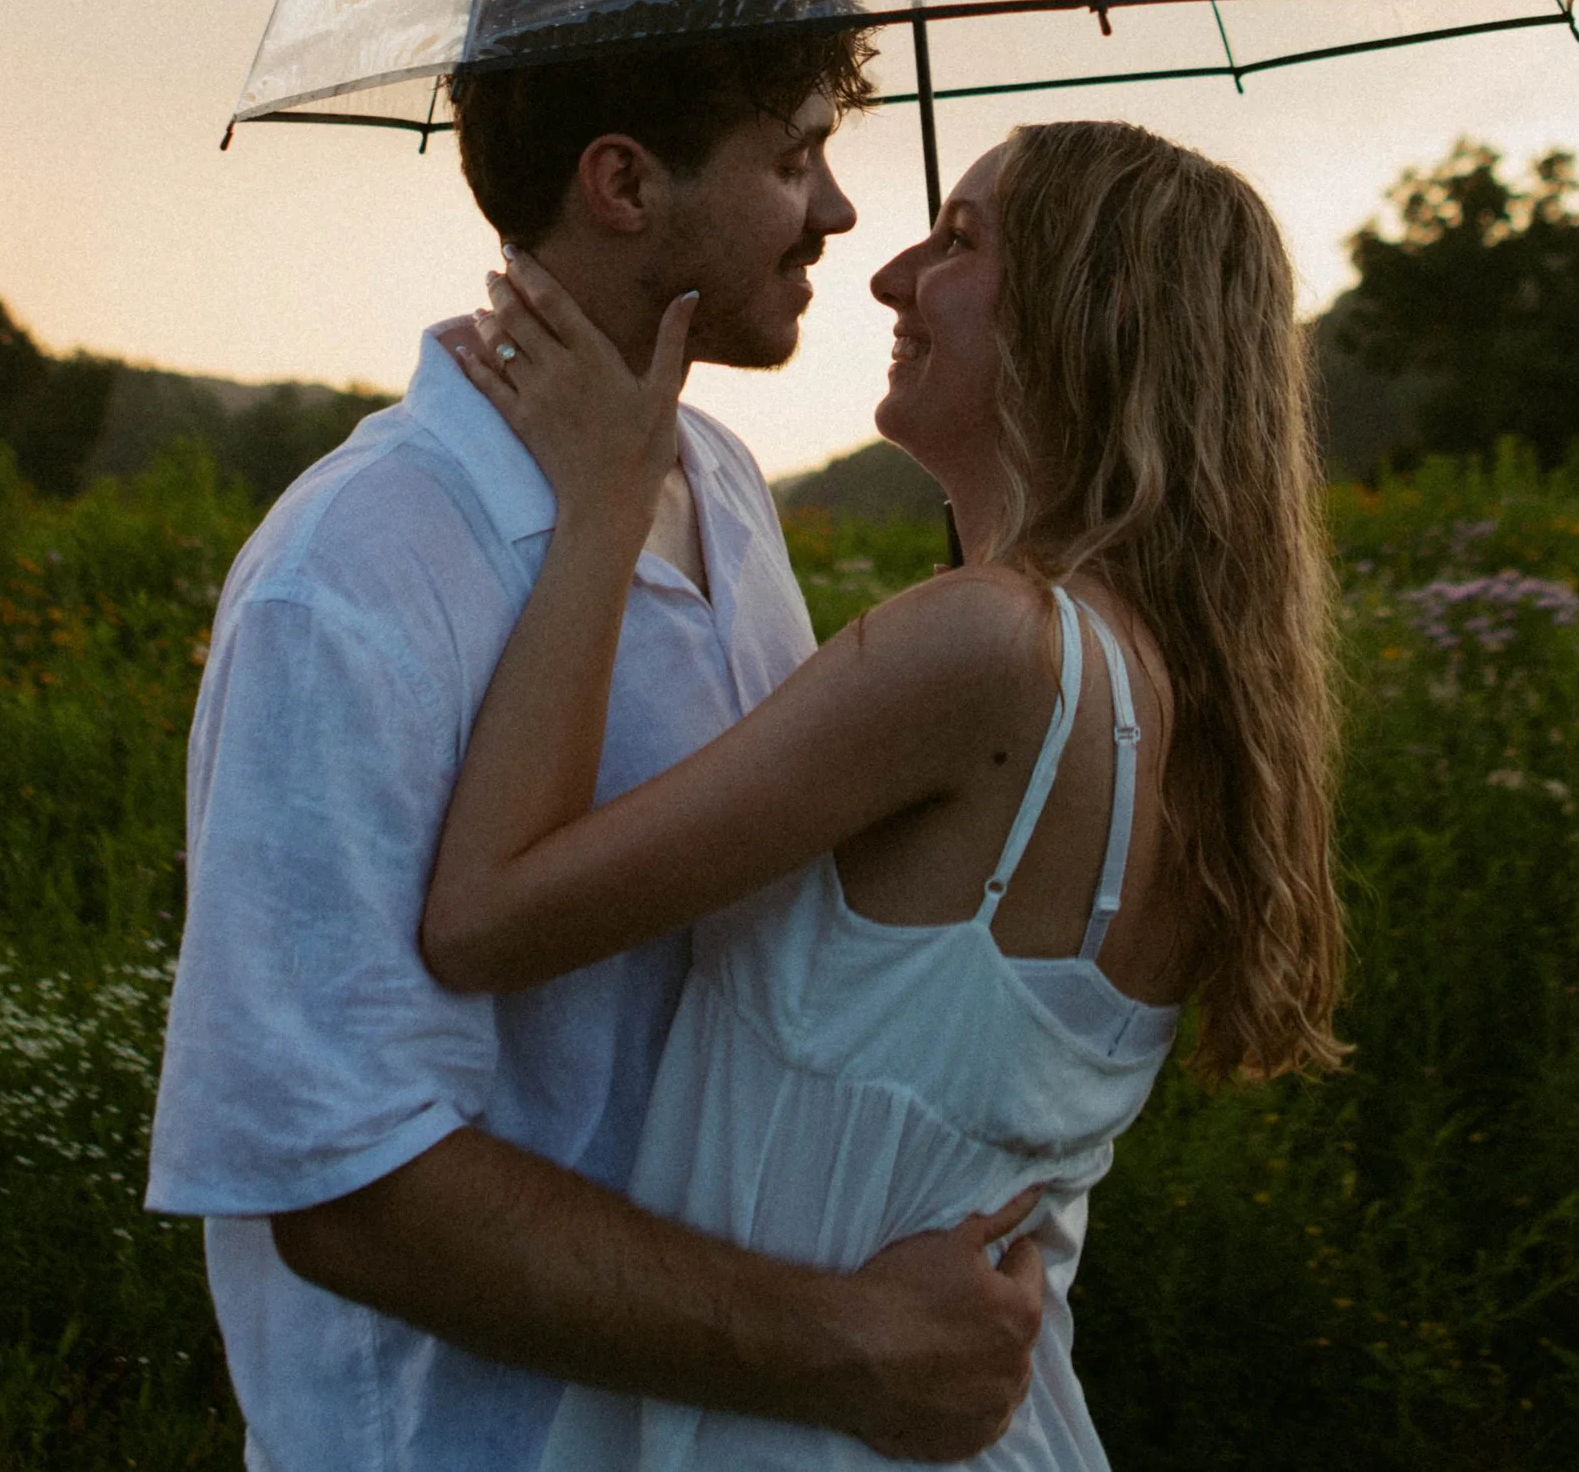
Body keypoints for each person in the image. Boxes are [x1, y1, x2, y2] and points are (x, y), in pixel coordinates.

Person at [148, 0, 1048, 1472]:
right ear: (623, 182)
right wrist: (843, 1344)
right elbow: (347, 1191)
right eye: (791, 157)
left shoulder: (726, 483)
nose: (840, 214)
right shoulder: (350, 575)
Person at [421, 120, 1349, 1469]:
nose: (889, 276)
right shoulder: (1179, 694)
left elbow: (485, 914)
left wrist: (605, 505)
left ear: (1098, 311)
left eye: (961, 241)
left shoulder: (983, 648)